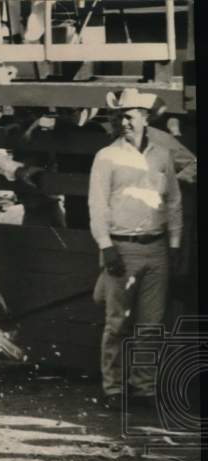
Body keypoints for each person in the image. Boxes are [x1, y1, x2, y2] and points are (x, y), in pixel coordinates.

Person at [88, 88, 183, 409]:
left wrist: (173, 245)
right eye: (118, 117)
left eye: (129, 116)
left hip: (156, 247)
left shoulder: (162, 155)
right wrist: (107, 246)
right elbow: (97, 206)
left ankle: (143, 388)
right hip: (122, 247)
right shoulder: (106, 156)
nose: (123, 122)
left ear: (145, 118)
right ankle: (113, 388)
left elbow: (173, 203)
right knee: (117, 323)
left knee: (151, 325)